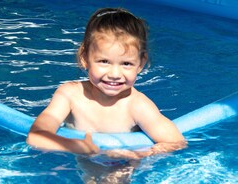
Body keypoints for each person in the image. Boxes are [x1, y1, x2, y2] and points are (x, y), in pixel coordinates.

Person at [26, 7, 185, 162]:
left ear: (141, 63)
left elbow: (176, 142)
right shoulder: (69, 95)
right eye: (104, 61)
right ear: (84, 57)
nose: (115, 74)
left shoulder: (137, 106)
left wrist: (138, 155)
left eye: (127, 64)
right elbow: (36, 137)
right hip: (74, 160)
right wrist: (75, 146)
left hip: (120, 164)